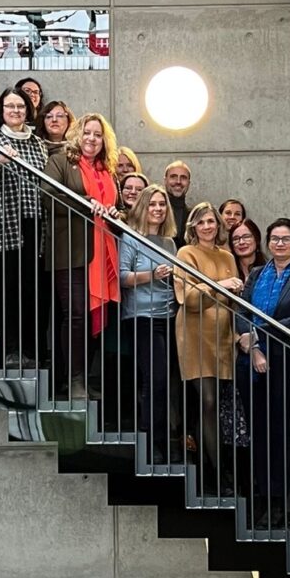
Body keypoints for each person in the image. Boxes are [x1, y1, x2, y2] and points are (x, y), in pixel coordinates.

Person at [235, 218, 290, 527]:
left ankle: (283, 504)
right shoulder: (256, 275)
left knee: (279, 434)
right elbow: (241, 312)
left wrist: (256, 337)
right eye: (275, 239)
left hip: (284, 364)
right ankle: (262, 499)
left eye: (286, 239)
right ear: (268, 243)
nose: (280, 244)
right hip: (251, 363)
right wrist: (252, 347)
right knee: (257, 434)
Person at [43, 113, 121, 396]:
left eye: (98, 135)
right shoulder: (62, 161)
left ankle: (85, 379)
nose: (91, 138)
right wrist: (86, 203)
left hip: (103, 251)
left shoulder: (107, 170)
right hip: (70, 250)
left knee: (93, 317)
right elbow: (47, 194)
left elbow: (119, 207)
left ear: (104, 140)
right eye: (87, 132)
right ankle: (73, 380)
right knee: (76, 315)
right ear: (78, 134)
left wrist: (115, 213)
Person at [0, 88, 48, 368]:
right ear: (1, 111)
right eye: (9, 106)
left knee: (31, 290)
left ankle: (31, 350)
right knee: (6, 290)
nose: (15, 111)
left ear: (28, 110)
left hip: (34, 224)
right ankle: (8, 349)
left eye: (20, 106)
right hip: (3, 225)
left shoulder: (38, 143)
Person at [174, 202, 242, 495]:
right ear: (193, 227)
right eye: (200, 222)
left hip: (222, 334)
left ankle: (213, 470)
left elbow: (235, 298)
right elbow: (188, 298)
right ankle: (215, 474)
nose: (207, 227)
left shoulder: (227, 256)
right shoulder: (185, 253)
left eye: (211, 222)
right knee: (208, 402)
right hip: (195, 332)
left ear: (218, 225)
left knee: (215, 406)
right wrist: (221, 283)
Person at [119, 185, 179, 462]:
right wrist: (152, 275)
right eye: (153, 204)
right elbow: (123, 278)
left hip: (168, 316)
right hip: (141, 317)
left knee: (165, 383)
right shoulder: (131, 237)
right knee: (155, 379)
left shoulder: (169, 243)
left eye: (162, 205)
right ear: (143, 207)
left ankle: (164, 440)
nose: (158, 209)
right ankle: (151, 440)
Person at [164, 160, 192, 248]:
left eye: (183, 177)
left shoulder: (192, 215)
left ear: (189, 183)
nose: (178, 182)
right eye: (173, 177)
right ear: (165, 180)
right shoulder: (154, 210)